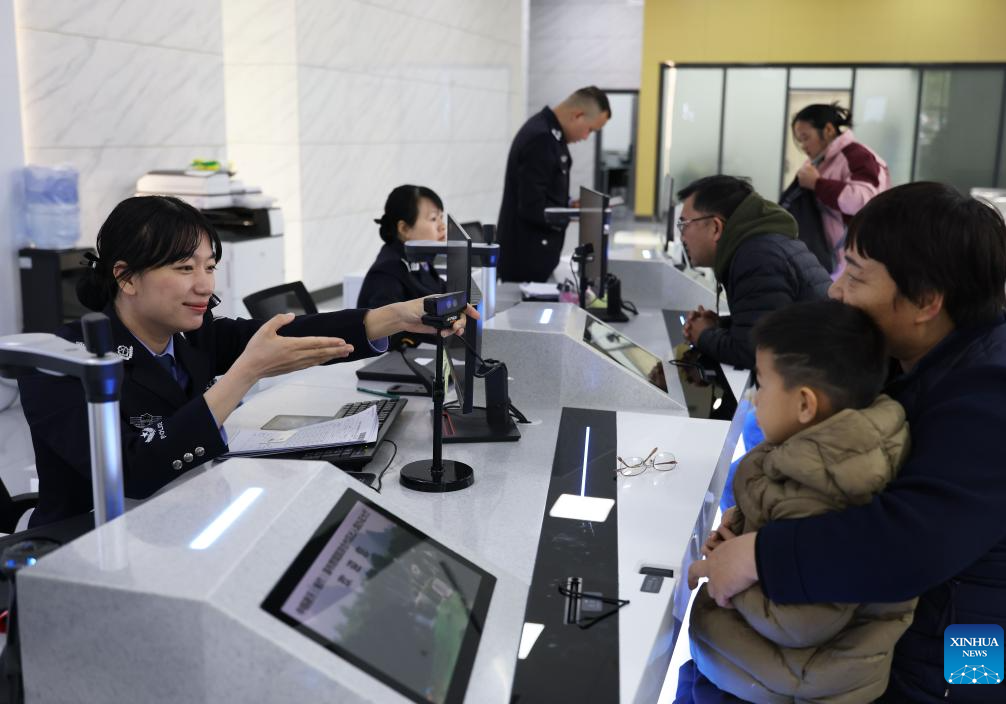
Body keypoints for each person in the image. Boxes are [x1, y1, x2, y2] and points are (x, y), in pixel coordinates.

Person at [688, 182, 1006, 702]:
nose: (835, 290)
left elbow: (911, 542)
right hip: (889, 627)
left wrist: (760, 556)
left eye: (856, 275)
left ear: (926, 301)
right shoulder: (915, 358)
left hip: (970, 661)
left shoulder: (998, 394)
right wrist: (749, 524)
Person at [18, 195, 474, 527]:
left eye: (209, 266)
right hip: (89, 544)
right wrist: (245, 373)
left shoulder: (192, 336)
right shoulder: (62, 362)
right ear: (126, 277)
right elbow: (132, 474)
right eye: (184, 268)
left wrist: (395, 317)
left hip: (186, 515)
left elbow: (287, 332)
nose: (204, 285)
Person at [680, 300, 915, 703]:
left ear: (805, 404)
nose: (754, 399)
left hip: (778, 685)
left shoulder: (828, 485)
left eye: (762, 384)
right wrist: (739, 535)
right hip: (759, 669)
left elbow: (800, 622)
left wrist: (724, 570)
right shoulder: (825, 451)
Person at [678, 175, 831, 369]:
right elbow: (771, 321)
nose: (681, 237)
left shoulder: (756, 258)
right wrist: (721, 326)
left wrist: (703, 335)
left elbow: (754, 352)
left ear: (716, 227)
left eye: (684, 225)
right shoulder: (758, 246)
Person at [497, 86, 611, 283]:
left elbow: (543, 192)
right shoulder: (541, 138)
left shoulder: (550, 135)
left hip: (534, 259)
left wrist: (569, 205)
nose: (586, 137)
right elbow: (532, 206)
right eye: (590, 130)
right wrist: (572, 214)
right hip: (525, 263)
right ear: (578, 115)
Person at [791, 103, 890, 275]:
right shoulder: (819, 160)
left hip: (859, 259)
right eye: (800, 141)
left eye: (806, 138)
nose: (804, 146)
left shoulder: (857, 156)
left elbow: (865, 201)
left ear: (828, 130)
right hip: (831, 258)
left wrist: (817, 184)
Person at [357, 184, 447, 311]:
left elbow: (439, 290)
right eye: (433, 219)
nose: (442, 226)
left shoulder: (419, 258)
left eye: (441, 217)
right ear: (404, 229)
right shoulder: (387, 276)